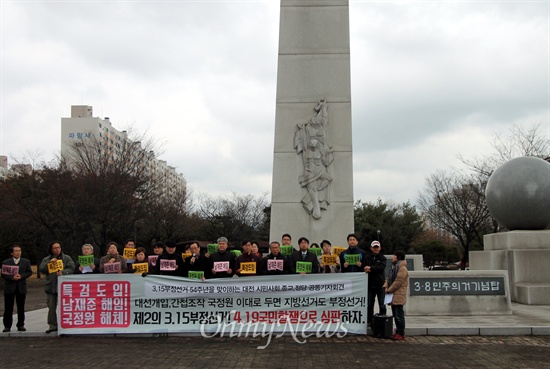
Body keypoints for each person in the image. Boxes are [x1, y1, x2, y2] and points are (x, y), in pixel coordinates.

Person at [293, 99, 333, 219]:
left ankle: (311, 199)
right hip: (310, 168)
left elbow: (324, 120)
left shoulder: (320, 143)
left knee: (328, 179)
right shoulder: (306, 144)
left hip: (319, 168)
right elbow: (303, 140)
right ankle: (316, 206)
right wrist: (301, 130)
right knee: (311, 186)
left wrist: (323, 108)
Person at [39, 241, 75, 333]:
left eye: (58, 247)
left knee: (65, 307)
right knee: (51, 307)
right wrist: (49, 264)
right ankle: (52, 325)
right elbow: (42, 269)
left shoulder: (66, 258)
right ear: (51, 249)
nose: (57, 249)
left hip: (63, 287)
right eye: (55, 248)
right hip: (51, 287)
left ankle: (65, 324)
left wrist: (63, 272)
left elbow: (72, 268)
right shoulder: (47, 259)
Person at [2, 245, 33, 332]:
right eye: (16, 251)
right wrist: (12, 278)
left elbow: (29, 272)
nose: (18, 252)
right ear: (12, 253)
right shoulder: (6, 262)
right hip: (10, 287)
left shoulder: (25, 262)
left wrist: (21, 276)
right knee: (8, 307)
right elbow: (3, 274)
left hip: (21, 287)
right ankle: (7, 325)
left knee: (21, 307)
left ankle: (20, 324)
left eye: (19, 251)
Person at [384, 250, 409, 341]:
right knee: (395, 314)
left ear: (398, 257)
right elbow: (389, 278)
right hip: (393, 294)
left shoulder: (402, 268)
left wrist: (389, 289)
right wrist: (385, 286)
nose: (392, 257)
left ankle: (401, 333)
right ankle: (398, 331)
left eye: (394, 256)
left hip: (398, 294)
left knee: (399, 315)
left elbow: (398, 281)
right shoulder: (394, 267)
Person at [364, 240, 387, 326]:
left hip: (380, 285)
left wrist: (371, 268)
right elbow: (364, 267)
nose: (376, 249)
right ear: (371, 248)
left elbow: (381, 268)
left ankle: (383, 320)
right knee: (369, 304)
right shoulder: (367, 258)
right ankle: (369, 321)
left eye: (377, 247)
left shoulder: (383, 258)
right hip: (370, 285)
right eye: (374, 247)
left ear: (380, 248)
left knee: (382, 304)